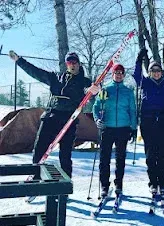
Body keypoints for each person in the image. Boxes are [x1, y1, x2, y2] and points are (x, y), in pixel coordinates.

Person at [8, 51, 98, 179]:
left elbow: (93, 94)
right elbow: (36, 72)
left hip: (68, 120)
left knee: (65, 154)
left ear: (79, 64)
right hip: (51, 116)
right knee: (39, 148)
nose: (72, 65)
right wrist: (19, 60)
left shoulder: (84, 82)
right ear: (66, 64)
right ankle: (36, 176)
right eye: (69, 62)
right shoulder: (56, 77)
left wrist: (96, 90)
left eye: (74, 62)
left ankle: (65, 185)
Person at [133, 49, 164, 195]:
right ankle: (153, 182)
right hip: (148, 122)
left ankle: (162, 182)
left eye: (158, 71)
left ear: (162, 72)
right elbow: (136, 75)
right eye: (153, 71)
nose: (156, 73)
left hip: (162, 122)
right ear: (150, 72)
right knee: (150, 154)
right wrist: (139, 60)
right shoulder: (146, 83)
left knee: (162, 154)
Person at [93, 64, 137, 197]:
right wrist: (97, 120)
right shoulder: (106, 90)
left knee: (120, 158)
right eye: (116, 73)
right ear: (112, 75)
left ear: (123, 75)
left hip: (123, 128)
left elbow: (132, 111)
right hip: (107, 128)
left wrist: (134, 128)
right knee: (104, 158)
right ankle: (104, 185)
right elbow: (96, 107)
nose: (118, 75)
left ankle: (119, 184)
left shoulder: (128, 92)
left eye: (121, 73)